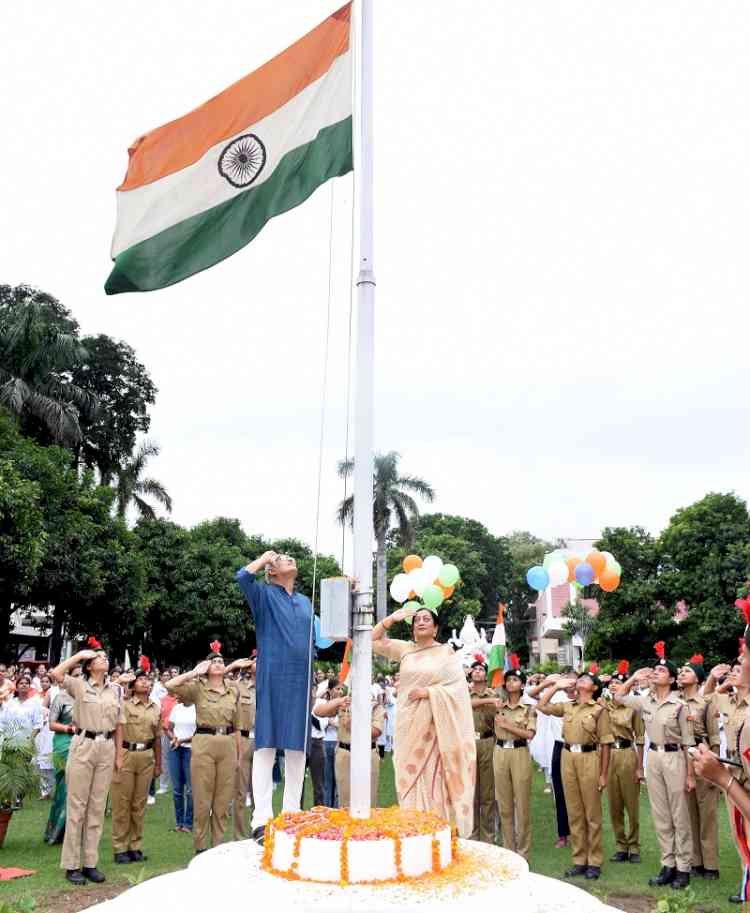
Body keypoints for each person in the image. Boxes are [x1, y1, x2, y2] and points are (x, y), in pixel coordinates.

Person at [372, 605, 476, 836]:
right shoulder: (405, 650)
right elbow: (371, 640)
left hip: (437, 727)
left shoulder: (446, 653)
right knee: (408, 773)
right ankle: (413, 829)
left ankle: (436, 830)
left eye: (426, 619)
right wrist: (391, 619)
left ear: (436, 628)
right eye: (417, 619)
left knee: (434, 776)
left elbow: (457, 691)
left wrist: (429, 693)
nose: (420, 622)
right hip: (409, 724)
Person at [236, 551, 315, 844]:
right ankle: (261, 820)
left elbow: (321, 638)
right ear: (271, 571)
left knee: (297, 751)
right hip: (273, 677)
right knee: (266, 748)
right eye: (282, 559)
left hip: (301, 679)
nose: (289, 559)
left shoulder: (306, 601)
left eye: (290, 557)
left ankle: (292, 815)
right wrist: (264, 557)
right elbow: (243, 576)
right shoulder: (264, 595)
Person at [614, 642, 695, 890]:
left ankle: (683, 868)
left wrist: (690, 775)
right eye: (655, 670)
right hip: (654, 758)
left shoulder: (681, 705)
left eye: (661, 671)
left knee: (679, 814)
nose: (655, 673)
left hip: (675, 759)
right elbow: (618, 697)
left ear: (671, 679)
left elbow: (688, 743)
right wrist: (633, 679)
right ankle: (667, 865)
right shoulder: (646, 702)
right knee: (660, 815)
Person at [49, 643, 124, 885]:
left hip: (106, 746)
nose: (104, 659)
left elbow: (119, 724)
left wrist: (119, 755)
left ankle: (90, 863)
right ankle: (71, 865)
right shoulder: (80, 684)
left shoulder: (115, 691)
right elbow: (56, 674)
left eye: (105, 656)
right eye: (98, 657)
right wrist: (79, 655)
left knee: (97, 807)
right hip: (83, 744)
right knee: (77, 806)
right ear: (90, 666)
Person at [537, 667, 613, 881]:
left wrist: (604, 774)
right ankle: (579, 860)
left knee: (592, 813)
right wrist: (555, 686)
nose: (581, 680)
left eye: (587, 679)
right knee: (574, 811)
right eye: (580, 678)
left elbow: (606, 743)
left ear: (595, 687)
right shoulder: (568, 706)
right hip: (567, 756)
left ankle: (594, 861)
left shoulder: (600, 709)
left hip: (589, 758)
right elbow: (542, 706)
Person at [166, 645, 240, 854]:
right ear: (206, 666)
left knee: (223, 800)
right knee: (202, 797)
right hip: (204, 742)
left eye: (221, 661)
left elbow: (237, 724)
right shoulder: (197, 687)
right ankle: (200, 847)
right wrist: (194, 672)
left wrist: (238, 752)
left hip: (227, 743)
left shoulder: (232, 689)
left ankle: (217, 847)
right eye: (213, 661)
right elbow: (169, 685)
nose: (218, 663)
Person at [111, 667, 162, 864]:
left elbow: (157, 738)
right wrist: (117, 757)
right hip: (126, 753)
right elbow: (117, 730)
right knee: (122, 803)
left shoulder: (155, 707)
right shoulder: (123, 704)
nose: (144, 682)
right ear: (133, 685)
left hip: (146, 755)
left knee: (139, 804)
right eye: (140, 680)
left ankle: (135, 846)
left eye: (147, 680)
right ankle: (120, 847)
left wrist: (158, 764)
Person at [678, 654, 721, 879]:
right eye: (680, 671)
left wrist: (714, 767)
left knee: (707, 813)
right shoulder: (675, 701)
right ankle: (696, 861)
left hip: (700, 755)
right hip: (680, 757)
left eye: (686, 671)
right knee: (689, 814)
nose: (681, 673)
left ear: (697, 679)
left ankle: (711, 865)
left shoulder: (705, 703)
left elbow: (714, 737)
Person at [493, 658, 536, 859]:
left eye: (515, 680)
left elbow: (529, 734)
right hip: (500, 752)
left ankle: (523, 851)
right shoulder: (498, 706)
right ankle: (508, 850)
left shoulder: (528, 709)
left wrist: (506, 725)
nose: (511, 683)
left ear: (522, 685)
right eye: (508, 680)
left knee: (522, 804)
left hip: (519, 753)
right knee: (504, 803)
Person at [602, 662, 645, 864]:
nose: (613, 686)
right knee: (614, 804)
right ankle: (620, 845)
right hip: (608, 755)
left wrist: (640, 767)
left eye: (618, 683)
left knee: (631, 803)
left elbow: (640, 737)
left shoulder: (633, 708)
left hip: (627, 753)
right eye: (611, 683)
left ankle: (634, 845)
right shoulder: (603, 706)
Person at [315, 684, 384, 809]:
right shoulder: (345, 703)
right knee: (345, 800)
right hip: (345, 754)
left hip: (367, 754)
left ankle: (366, 828)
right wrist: (338, 701)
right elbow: (318, 711)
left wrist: (355, 725)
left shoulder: (374, 706)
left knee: (369, 800)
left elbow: (376, 731)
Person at [527, 672, 574, 847]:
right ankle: (563, 834)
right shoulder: (557, 695)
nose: (570, 684)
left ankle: (582, 832)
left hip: (579, 749)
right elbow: (533, 697)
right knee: (559, 791)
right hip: (560, 747)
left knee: (580, 793)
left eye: (573, 680)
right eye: (566, 681)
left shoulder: (584, 698)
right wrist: (551, 684)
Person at [45, 670, 81, 845]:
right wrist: (69, 729)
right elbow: (51, 724)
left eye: (82, 675)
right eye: (75, 675)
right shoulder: (61, 697)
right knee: (64, 788)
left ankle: (75, 832)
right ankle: (57, 832)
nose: (79, 678)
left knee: (79, 789)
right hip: (64, 743)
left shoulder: (88, 697)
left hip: (85, 744)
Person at [468, 659, 498, 843]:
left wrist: (491, 700)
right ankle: (471, 833)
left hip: (487, 741)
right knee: (470, 791)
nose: (478, 671)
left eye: (481, 669)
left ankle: (488, 836)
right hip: (468, 742)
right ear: (470, 674)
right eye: (475, 669)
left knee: (487, 793)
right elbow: (464, 705)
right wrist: (488, 701)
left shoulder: (494, 694)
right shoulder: (464, 692)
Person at [226, 657, 256, 838]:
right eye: (255, 660)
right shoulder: (238, 686)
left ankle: (258, 830)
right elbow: (219, 681)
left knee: (261, 791)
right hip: (243, 740)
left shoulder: (269, 685)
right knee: (240, 791)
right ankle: (239, 834)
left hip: (264, 742)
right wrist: (234, 666)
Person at [165, 695, 196, 833]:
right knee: (177, 789)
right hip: (175, 749)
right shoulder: (176, 708)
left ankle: (188, 824)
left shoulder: (197, 708)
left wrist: (182, 740)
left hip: (190, 749)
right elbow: (168, 728)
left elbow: (199, 732)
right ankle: (179, 823)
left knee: (190, 789)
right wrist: (174, 738)